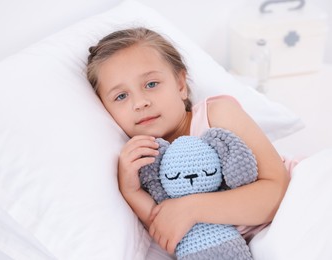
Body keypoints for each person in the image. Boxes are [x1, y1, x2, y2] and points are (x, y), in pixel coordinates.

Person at [86, 27, 290, 256]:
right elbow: (168, 227)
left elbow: (277, 190)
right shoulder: (144, 162)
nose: (140, 102)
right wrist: (131, 191)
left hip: (290, 210)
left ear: (181, 85)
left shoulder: (217, 115)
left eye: (151, 84)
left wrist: (192, 208)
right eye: (121, 96)